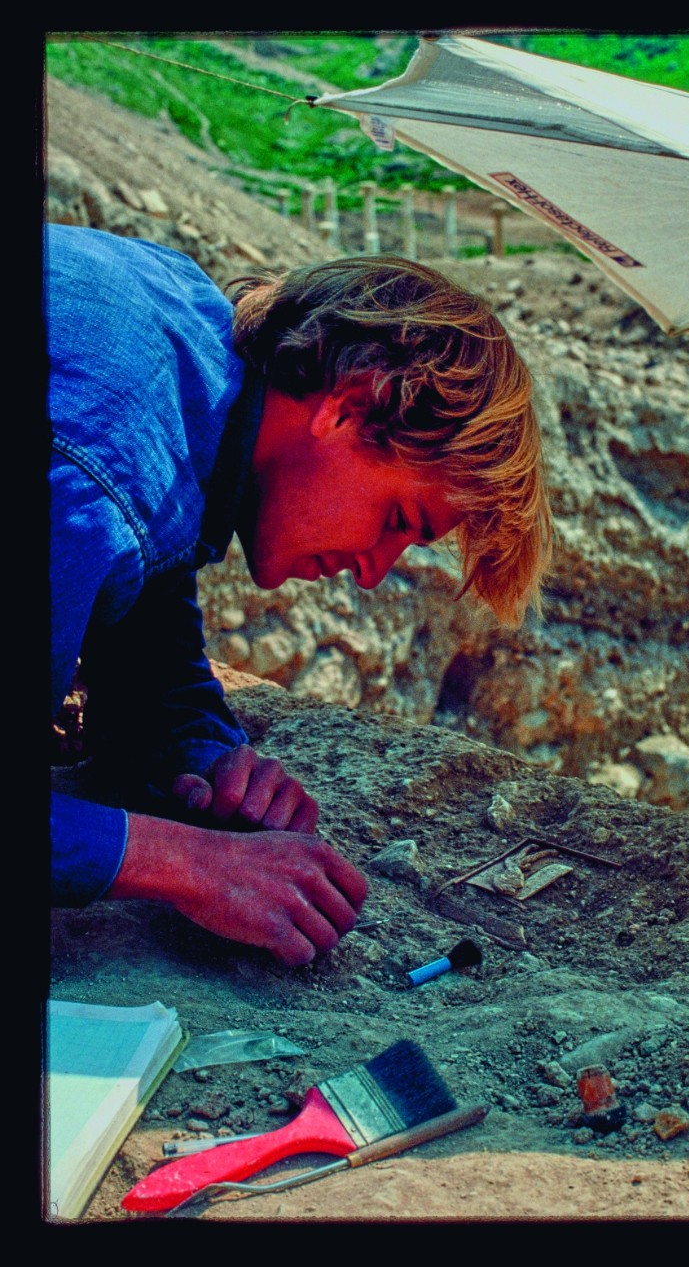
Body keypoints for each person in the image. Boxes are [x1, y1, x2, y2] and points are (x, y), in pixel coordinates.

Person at [49, 223, 552, 966]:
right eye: (399, 521)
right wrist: (187, 865)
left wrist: (210, 758)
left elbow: (148, 636)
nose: (376, 571)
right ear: (348, 407)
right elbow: (100, 516)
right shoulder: (98, 471)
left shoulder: (180, 335)